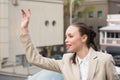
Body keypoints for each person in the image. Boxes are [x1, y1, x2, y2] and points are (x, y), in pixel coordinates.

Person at [20, 9, 119, 80]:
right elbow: (35, 59)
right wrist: (25, 30)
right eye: (66, 37)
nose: (66, 40)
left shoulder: (104, 60)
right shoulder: (66, 61)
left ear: (84, 38)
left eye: (70, 36)